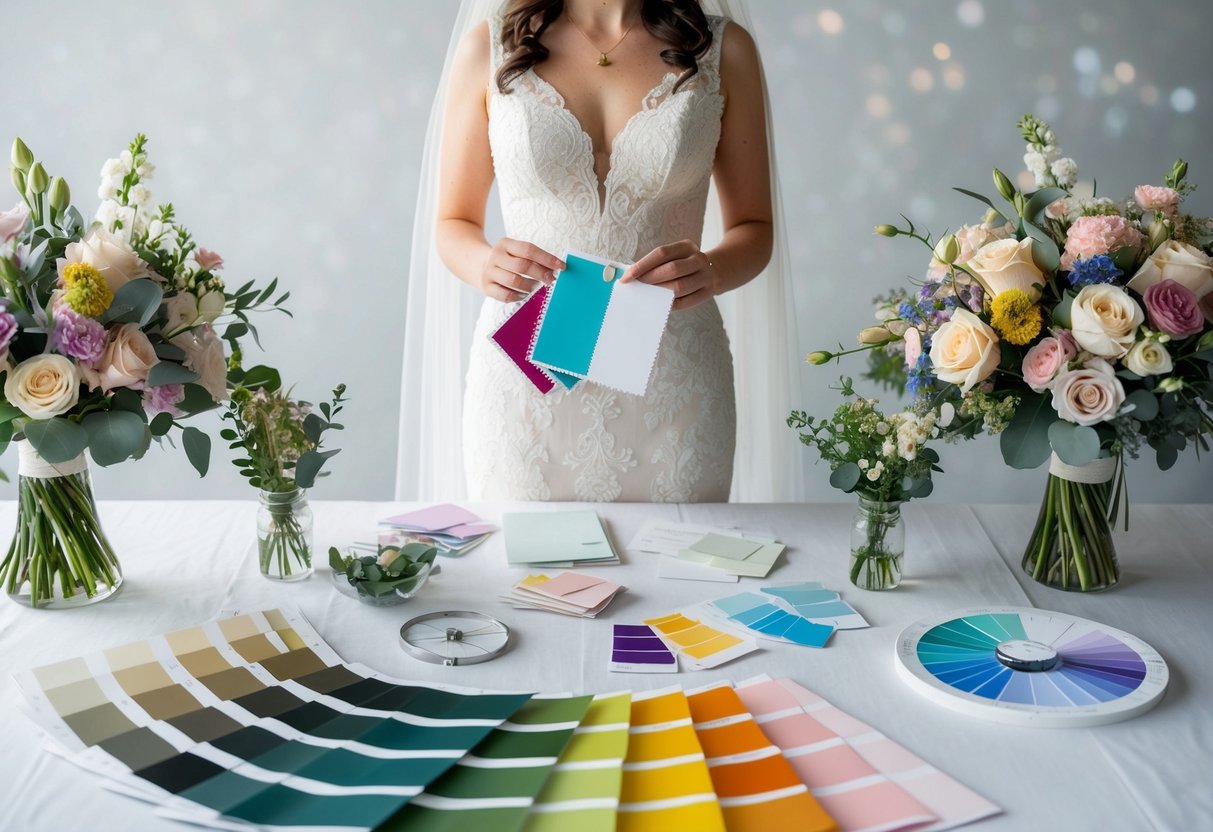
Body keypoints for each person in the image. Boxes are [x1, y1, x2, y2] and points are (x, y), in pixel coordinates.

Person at [396, 0, 801, 503]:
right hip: (528, 379)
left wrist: (712, 270)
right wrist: (485, 264)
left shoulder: (722, 49)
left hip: (675, 385)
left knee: (681, 575)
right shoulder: (491, 44)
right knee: (520, 576)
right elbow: (452, 223)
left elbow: (754, 227)